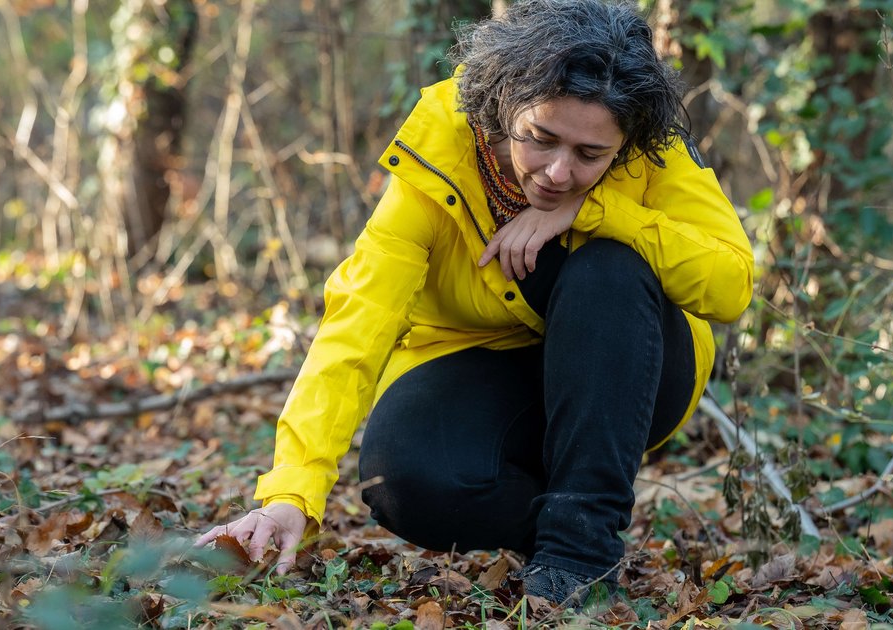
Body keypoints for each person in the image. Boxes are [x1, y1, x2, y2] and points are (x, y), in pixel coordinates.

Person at [196, 0, 753, 606]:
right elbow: (358, 322)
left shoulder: (649, 143)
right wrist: (291, 493)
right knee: (402, 480)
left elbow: (731, 285)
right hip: (477, 365)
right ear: (503, 104)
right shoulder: (440, 152)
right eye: (541, 139)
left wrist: (599, 212)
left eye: (590, 156)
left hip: (631, 367)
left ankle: (581, 552)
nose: (558, 173)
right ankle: (561, 513)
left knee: (610, 268)